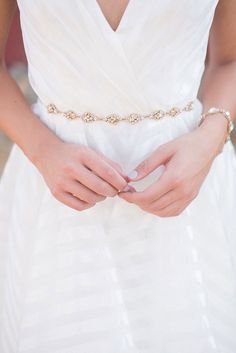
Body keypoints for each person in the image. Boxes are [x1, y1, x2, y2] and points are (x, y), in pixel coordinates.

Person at [0, 0, 236, 352]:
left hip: (191, 201)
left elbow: (231, 60)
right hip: (54, 203)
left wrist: (210, 139)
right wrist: (43, 149)